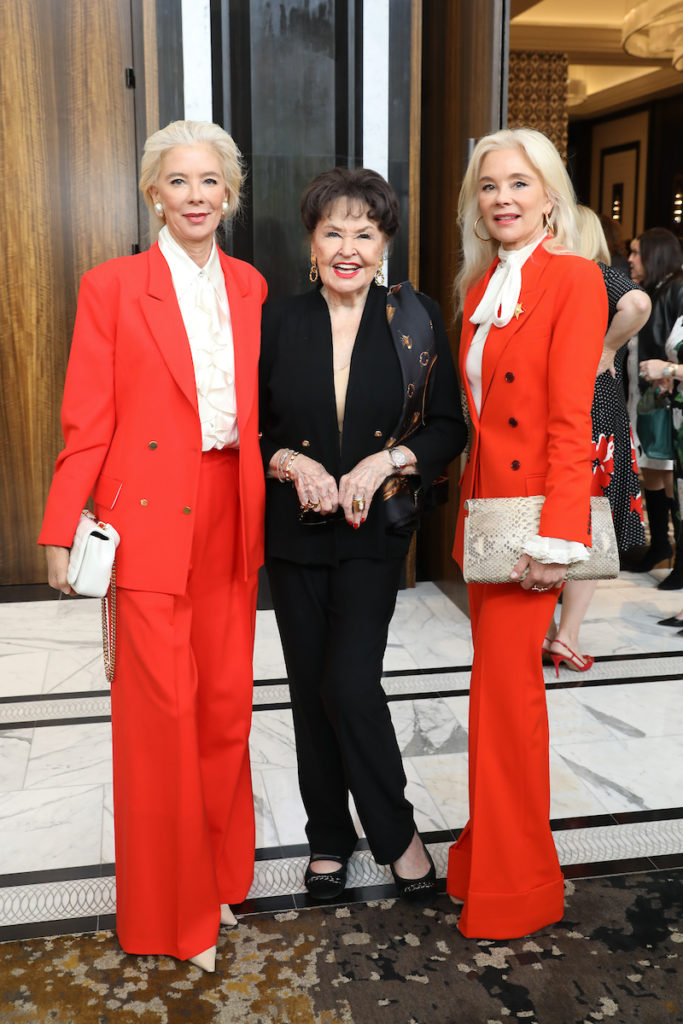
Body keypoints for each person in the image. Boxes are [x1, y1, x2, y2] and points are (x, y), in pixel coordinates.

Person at [39, 121, 267, 972]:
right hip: (144, 520)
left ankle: (212, 882)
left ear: (229, 193)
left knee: (222, 710)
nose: (197, 195)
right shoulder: (111, 286)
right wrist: (62, 526)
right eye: (179, 181)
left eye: (211, 181)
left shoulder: (249, 285)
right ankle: (169, 918)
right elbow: (85, 417)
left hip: (229, 511)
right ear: (153, 195)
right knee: (159, 720)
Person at [259, 167, 466, 903]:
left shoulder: (412, 319)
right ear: (311, 243)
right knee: (309, 692)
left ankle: (395, 832)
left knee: (348, 682)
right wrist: (286, 460)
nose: (348, 247)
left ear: (384, 244)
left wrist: (385, 460)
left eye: (365, 233)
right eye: (333, 232)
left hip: (374, 534)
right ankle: (326, 839)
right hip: (294, 536)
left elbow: (449, 426)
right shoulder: (276, 320)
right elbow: (244, 430)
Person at [448, 128, 608, 939]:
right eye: (488, 186)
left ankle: (516, 887)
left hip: (529, 531)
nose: (502, 198)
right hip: (487, 522)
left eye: (518, 183)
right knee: (495, 700)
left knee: (507, 705)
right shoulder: (481, 284)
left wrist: (557, 541)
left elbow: (569, 423)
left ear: (550, 195)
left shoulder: (574, 280)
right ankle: (488, 858)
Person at [543, 206, 650, 672]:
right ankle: (561, 635)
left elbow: (639, 304)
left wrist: (605, 349)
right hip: (590, 408)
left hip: (587, 410)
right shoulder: (565, 278)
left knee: (585, 523)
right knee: (583, 523)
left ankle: (559, 635)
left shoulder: (588, 274)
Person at [626, 229, 683, 577]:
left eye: (637, 253)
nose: (630, 259)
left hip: (666, 397)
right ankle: (659, 545)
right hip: (645, 395)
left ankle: (677, 556)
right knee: (651, 469)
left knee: (668, 475)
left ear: (655, 254)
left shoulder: (676, 288)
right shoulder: (649, 291)